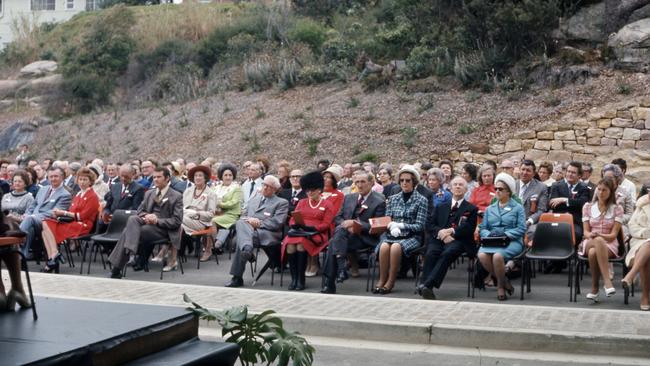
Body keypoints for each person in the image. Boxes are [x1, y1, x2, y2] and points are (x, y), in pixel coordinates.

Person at [107, 167, 183, 278]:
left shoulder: (176, 196)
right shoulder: (149, 193)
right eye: (154, 177)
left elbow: (176, 221)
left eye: (159, 177)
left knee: (127, 231)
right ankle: (130, 249)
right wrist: (147, 216)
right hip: (146, 223)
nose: (156, 179)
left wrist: (157, 220)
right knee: (133, 219)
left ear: (167, 178)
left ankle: (117, 268)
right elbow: (139, 211)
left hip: (163, 229)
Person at [321, 170, 386, 294]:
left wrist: (356, 224)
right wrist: (346, 225)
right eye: (357, 182)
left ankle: (332, 281)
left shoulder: (379, 201)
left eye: (363, 182)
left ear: (371, 183)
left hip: (364, 237)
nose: (360, 185)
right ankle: (339, 271)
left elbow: (378, 225)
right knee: (337, 238)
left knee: (334, 242)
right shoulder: (349, 198)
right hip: (345, 236)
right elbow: (338, 218)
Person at [418, 177, 478, 299]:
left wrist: (451, 232)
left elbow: (469, 228)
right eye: (455, 184)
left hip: (459, 240)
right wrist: (441, 233)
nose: (457, 186)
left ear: (466, 189)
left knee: (448, 253)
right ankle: (426, 286)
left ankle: (426, 284)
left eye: (461, 184)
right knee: (431, 252)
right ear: (450, 188)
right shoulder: (441, 206)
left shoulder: (471, 208)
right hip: (439, 239)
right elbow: (429, 224)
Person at [373, 165, 428, 295]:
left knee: (396, 247)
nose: (404, 183)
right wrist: (391, 226)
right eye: (402, 180)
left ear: (414, 182)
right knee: (385, 246)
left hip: (411, 236)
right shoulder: (393, 199)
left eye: (408, 180)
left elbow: (420, 226)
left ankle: (391, 282)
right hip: (392, 234)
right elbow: (387, 219)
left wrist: (401, 225)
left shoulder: (421, 200)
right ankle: (382, 280)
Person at [224, 176, 288, 288]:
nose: (265, 188)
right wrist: (249, 221)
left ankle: (237, 277)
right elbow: (243, 216)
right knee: (240, 223)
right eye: (264, 184)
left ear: (275, 189)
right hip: (249, 233)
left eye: (269, 186)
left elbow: (277, 222)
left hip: (267, 233)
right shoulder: (253, 200)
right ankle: (247, 249)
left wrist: (258, 223)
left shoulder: (281, 202)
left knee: (241, 239)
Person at [282, 172, 336, 291]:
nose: (309, 193)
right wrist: (294, 224)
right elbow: (293, 218)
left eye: (312, 190)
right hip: (300, 231)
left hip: (317, 233)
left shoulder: (327, 204)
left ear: (319, 190)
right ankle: (294, 278)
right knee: (290, 245)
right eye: (307, 191)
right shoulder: (302, 202)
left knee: (301, 245)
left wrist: (313, 228)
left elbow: (327, 224)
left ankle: (301, 279)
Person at [40, 168, 100, 273]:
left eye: (85, 180)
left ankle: (52, 259)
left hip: (83, 225)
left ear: (90, 181)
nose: (82, 182)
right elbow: (72, 211)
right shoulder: (78, 194)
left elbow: (82, 216)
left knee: (47, 227)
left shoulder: (92, 196)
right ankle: (53, 257)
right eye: (80, 179)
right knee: (45, 224)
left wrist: (63, 213)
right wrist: (58, 214)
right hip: (73, 222)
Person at [478, 173, 526, 301]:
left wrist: (505, 235)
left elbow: (521, 229)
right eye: (496, 189)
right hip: (492, 240)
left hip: (511, 241)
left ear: (508, 192)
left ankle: (500, 286)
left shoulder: (518, 208)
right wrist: (490, 235)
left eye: (501, 189)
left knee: (498, 256)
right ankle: (504, 281)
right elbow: (483, 228)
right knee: (482, 255)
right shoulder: (490, 209)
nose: (497, 191)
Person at [580, 177, 623, 302]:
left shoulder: (617, 209)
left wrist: (601, 235)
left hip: (610, 243)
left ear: (610, 192)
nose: (600, 192)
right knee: (597, 241)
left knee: (594, 252)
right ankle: (607, 282)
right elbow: (586, 232)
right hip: (590, 241)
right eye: (599, 189)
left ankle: (594, 289)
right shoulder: (587, 207)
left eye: (604, 190)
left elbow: (614, 235)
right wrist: (593, 235)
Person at [546, 161, 590, 273]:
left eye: (573, 173)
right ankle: (558, 262)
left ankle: (563, 261)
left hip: (575, 222)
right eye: (569, 171)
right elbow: (552, 203)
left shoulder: (584, 188)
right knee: (552, 232)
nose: (570, 174)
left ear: (579, 176)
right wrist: (571, 203)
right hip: (559, 219)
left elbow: (583, 203)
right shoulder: (557, 185)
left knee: (577, 233)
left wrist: (564, 200)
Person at [19, 167, 72, 259]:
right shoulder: (43, 189)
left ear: (62, 177)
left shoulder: (65, 194)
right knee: (29, 226)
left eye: (56, 176)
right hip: (33, 221)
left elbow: (55, 212)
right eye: (50, 176)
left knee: (29, 220)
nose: (53, 179)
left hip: (49, 222)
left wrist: (32, 216)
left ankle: (15, 241)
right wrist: (27, 213)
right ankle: (22, 255)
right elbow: (33, 205)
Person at [173, 165, 217, 271]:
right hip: (185, 217)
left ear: (205, 178)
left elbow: (211, 215)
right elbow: (180, 206)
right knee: (177, 221)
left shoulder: (211, 193)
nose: (197, 178)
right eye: (196, 175)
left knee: (177, 221)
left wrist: (196, 213)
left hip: (201, 221)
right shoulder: (188, 191)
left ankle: (170, 252)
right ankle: (172, 252)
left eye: (200, 176)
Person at [622, 191, 650, 311]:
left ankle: (631, 276)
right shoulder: (641, 204)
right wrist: (646, 234)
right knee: (647, 253)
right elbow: (632, 226)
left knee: (647, 253)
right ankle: (645, 296)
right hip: (639, 240)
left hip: (644, 244)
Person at [209, 164, 242, 260]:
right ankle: (210, 245)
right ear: (221, 176)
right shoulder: (216, 187)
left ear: (233, 176)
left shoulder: (236, 188)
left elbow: (233, 203)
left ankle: (212, 246)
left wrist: (219, 204)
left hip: (231, 214)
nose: (228, 177)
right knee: (205, 219)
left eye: (230, 175)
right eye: (225, 175)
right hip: (216, 212)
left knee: (212, 221)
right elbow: (210, 199)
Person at [100, 164, 145, 233]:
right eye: (121, 176)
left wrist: (117, 216)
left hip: (125, 219)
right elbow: (108, 205)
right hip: (111, 218)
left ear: (132, 175)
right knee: (100, 222)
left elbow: (135, 208)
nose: (123, 179)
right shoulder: (115, 186)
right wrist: (106, 213)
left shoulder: (138, 188)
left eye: (126, 177)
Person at [515, 160, 548, 246]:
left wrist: (529, 221)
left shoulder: (541, 187)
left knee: (532, 231)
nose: (524, 173)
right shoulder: (512, 185)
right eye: (523, 169)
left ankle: (525, 255)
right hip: (512, 219)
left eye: (528, 170)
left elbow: (541, 210)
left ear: (533, 174)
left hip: (530, 221)